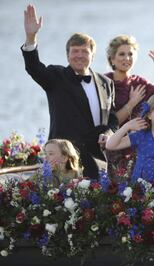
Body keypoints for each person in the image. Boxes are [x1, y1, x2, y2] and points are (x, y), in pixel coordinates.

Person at [21, 5, 118, 179]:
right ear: (67, 56)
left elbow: (112, 118)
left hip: (97, 157)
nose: (79, 55)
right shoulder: (56, 77)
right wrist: (31, 38)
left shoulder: (106, 82)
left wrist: (108, 134)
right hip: (65, 158)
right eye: (75, 51)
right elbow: (34, 67)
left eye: (84, 51)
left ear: (92, 56)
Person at [106, 94, 154, 182]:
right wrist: (126, 127)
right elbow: (110, 145)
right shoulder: (140, 136)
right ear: (149, 115)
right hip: (138, 188)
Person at [105, 35, 154, 125]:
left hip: (139, 137)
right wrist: (131, 103)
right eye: (122, 54)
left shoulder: (140, 84)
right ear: (112, 59)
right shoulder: (104, 83)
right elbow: (109, 124)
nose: (127, 58)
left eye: (130, 54)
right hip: (112, 137)